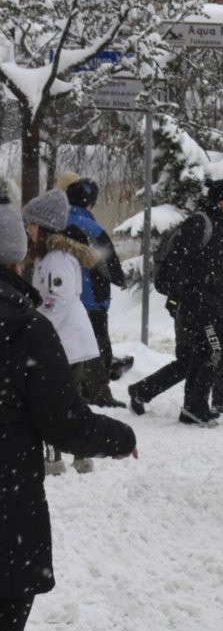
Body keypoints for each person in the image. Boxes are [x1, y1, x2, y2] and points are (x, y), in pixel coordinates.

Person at [0, 203, 137, 631]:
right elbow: (65, 422)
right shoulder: (26, 328)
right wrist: (119, 437)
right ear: (17, 258)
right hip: (7, 527)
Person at [129, 179, 223, 427]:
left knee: (192, 359)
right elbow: (177, 263)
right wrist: (184, 296)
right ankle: (194, 406)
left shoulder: (219, 227)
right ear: (221, 201)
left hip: (211, 306)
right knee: (212, 351)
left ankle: (171, 401)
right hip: (197, 307)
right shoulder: (201, 224)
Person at [22, 190, 102, 474]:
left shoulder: (57, 258)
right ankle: (72, 454)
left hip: (66, 338)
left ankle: (62, 456)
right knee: (64, 398)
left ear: (45, 226)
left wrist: (38, 329)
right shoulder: (46, 256)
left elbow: (59, 299)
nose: (28, 228)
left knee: (53, 397)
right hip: (62, 336)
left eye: (32, 223)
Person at [62, 176, 127, 407]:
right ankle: (98, 393)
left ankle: (74, 391)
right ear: (90, 202)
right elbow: (110, 265)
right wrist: (120, 279)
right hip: (91, 298)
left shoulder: (56, 223)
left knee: (69, 346)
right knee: (97, 346)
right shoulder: (91, 227)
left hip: (65, 297)